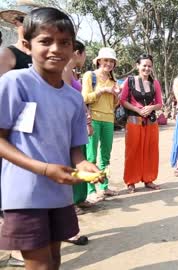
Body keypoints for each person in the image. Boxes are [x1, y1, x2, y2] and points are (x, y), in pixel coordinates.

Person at [0, 7, 103, 269]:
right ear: (27, 44)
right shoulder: (15, 83)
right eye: (45, 41)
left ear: (73, 48)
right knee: (40, 265)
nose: (56, 49)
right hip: (24, 194)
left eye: (64, 42)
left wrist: (83, 166)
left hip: (59, 194)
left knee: (54, 261)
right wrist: (44, 169)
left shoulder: (72, 98)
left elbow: (75, 149)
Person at [0, 3, 38, 266]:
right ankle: (13, 248)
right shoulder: (9, 54)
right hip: (11, 132)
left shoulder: (41, 55)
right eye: (22, 20)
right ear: (16, 24)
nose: (26, 24)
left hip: (35, 131)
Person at [61, 40, 91, 246]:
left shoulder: (71, 73)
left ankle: (68, 223)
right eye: (84, 54)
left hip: (76, 126)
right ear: (77, 53)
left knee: (76, 166)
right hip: (66, 128)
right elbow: (63, 102)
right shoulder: (64, 71)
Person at [120, 54, 163, 193]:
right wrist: (137, 109)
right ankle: (131, 181)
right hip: (133, 120)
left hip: (150, 121)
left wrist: (151, 108)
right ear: (137, 66)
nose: (147, 68)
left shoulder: (154, 83)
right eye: (144, 65)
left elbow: (159, 103)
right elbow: (123, 100)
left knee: (151, 150)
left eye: (149, 66)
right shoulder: (129, 81)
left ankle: (149, 179)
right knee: (133, 150)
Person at [82, 47, 120, 202]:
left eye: (111, 61)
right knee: (91, 156)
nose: (108, 64)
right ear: (98, 61)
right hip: (93, 119)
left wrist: (116, 94)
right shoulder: (90, 76)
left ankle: (104, 187)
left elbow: (114, 104)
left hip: (109, 120)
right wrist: (103, 90)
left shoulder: (114, 81)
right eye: (106, 60)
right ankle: (90, 190)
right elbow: (84, 98)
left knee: (106, 156)